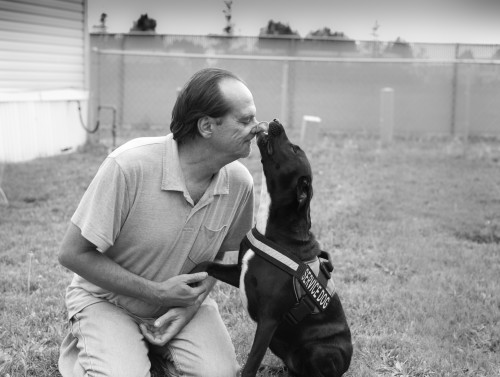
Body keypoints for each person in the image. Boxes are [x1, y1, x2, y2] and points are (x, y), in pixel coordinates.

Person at [58, 68, 268, 377]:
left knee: (221, 374)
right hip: (106, 300)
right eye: (245, 120)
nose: (258, 128)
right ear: (207, 126)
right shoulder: (129, 165)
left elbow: (228, 258)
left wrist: (191, 305)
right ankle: (94, 348)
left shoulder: (240, 183)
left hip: (178, 307)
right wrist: (156, 293)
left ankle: (147, 352)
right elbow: (72, 254)